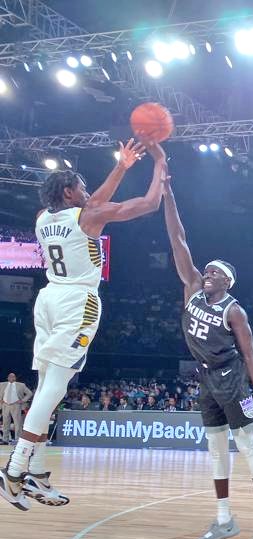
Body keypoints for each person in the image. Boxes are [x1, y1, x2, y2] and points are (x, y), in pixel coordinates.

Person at [1, 139, 165, 511]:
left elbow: (90, 202)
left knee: (46, 387)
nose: (89, 191)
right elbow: (149, 204)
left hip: (48, 299)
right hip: (78, 301)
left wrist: (122, 167)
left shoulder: (43, 217)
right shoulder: (87, 217)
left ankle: (38, 476)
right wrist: (159, 166)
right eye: (82, 186)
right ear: (69, 191)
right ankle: (13, 470)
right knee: (54, 389)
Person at [162, 179, 253, 539]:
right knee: (215, 449)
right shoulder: (192, 291)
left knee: (246, 444)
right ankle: (225, 519)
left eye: (214, 272)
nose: (206, 273)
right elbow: (178, 239)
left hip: (234, 380)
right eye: (206, 270)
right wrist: (169, 193)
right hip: (206, 379)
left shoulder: (234, 311)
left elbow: (251, 354)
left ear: (227, 281)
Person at [1, 373, 32, 444]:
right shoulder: (2, 384)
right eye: (10, 376)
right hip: (5, 405)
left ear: (15, 378)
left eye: (13, 376)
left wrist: (23, 400)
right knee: (5, 423)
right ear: (7, 378)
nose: (11, 377)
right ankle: (5, 440)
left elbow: (29, 393)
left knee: (17, 423)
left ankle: (18, 439)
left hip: (16, 405)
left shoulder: (21, 385)